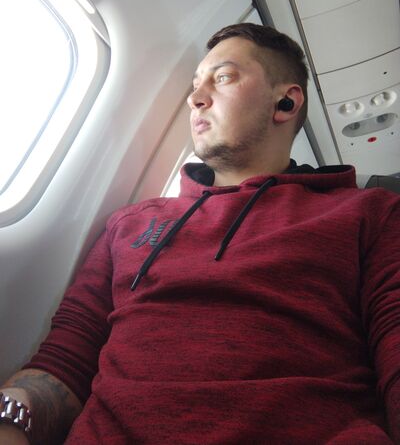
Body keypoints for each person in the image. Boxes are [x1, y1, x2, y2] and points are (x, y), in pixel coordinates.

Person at [1, 23, 400, 445]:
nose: (195, 98)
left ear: (285, 102)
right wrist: (10, 417)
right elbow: (65, 364)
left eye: (222, 77)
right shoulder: (129, 224)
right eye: (195, 85)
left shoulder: (368, 214)